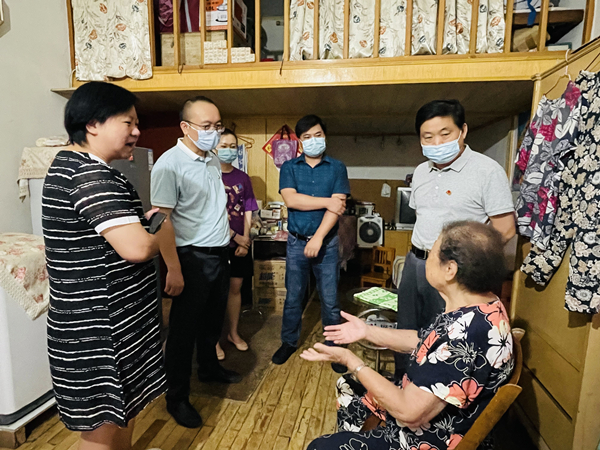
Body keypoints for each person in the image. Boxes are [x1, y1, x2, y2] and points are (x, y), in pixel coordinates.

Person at [301, 221, 514, 450]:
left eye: (432, 253)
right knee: (348, 386)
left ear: (450, 270)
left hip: (429, 437)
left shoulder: (466, 334)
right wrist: (366, 331)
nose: (427, 259)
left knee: (319, 447)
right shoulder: (483, 306)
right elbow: (423, 340)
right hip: (424, 406)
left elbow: (409, 412)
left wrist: (351, 360)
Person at [42, 81, 166, 450]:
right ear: (93, 123)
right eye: (128, 122)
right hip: (100, 331)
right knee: (102, 429)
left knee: (120, 413)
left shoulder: (75, 167)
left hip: (107, 324)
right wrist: (162, 231)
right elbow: (138, 248)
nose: (136, 132)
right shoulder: (88, 175)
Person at [395, 99, 516, 378]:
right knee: (407, 329)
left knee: (446, 340)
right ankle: (403, 384)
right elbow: (423, 218)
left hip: (455, 271)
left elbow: (506, 228)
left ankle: (435, 393)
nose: (436, 142)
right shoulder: (421, 172)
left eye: (445, 133)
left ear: (463, 131)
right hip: (416, 262)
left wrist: (466, 266)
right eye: (428, 137)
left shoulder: (487, 171)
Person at [150, 96, 242, 429]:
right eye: (206, 126)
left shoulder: (212, 159)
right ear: (185, 127)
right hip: (191, 257)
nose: (213, 132)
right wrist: (173, 268)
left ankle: (209, 368)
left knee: (212, 321)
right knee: (182, 332)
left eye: (217, 125)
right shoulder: (169, 164)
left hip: (219, 252)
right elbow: (160, 220)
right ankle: (176, 397)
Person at [272, 114, 351, 372]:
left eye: (318, 135)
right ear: (300, 141)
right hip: (296, 243)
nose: (313, 140)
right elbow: (292, 200)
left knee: (330, 299)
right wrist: (327, 201)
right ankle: (288, 342)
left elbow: (338, 207)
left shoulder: (337, 167)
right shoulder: (289, 167)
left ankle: (334, 347)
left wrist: (317, 238)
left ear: (325, 136)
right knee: (293, 296)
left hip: (327, 243)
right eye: (307, 137)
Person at [214, 129, 258, 360]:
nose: (228, 150)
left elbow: (249, 210)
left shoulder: (243, 177)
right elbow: (211, 214)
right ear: (214, 148)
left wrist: (245, 240)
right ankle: (213, 340)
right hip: (217, 244)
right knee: (214, 292)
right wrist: (235, 237)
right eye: (223, 146)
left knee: (235, 288)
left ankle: (233, 333)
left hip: (240, 244)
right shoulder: (209, 175)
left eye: (233, 146)